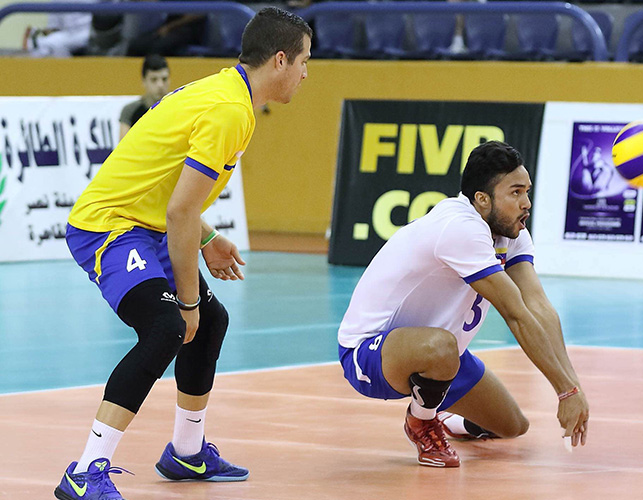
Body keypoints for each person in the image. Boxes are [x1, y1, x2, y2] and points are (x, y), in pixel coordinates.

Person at [55, 8, 312, 500]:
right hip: (109, 227)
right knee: (169, 326)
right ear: (280, 60)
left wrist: (208, 238)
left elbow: (170, 186)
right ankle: (84, 472)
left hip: (143, 222)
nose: (305, 74)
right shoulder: (229, 110)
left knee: (210, 323)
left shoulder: (229, 93)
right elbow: (179, 212)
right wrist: (188, 302)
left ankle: (187, 452)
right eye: (303, 62)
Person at [337, 141, 589, 467]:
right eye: (515, 193)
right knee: (442, 347)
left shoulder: (510, 231)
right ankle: (422, 422)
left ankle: (442, 414)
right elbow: (515, 313)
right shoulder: (460, 228)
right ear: (482, 199)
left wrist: (573, 387)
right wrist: (565, 392)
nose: (526, 203)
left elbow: (537, 306)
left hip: (440, 355)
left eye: (527, 191)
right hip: (370, 354)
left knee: (512, 426)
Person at [119, 54, 171, 140]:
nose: (160, 85)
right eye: (154, 79)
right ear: (144, 81)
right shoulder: (130, 111)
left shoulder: (178, 109)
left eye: (164, 79)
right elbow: (122, 145)